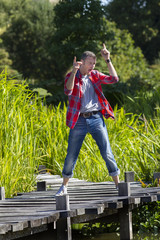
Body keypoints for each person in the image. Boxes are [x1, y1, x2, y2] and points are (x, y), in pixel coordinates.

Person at [55, 43, 120, 196]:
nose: (92, 66)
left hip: (96, 118)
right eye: (90, 63)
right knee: (71, 154)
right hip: (79, 120)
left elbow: (114, 79)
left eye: (94, 63)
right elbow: (68, 90)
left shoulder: (96, 75)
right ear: (82, 62)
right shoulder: (72, 76)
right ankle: (64, 186)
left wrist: (108, 60)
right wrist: (74, 71)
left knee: (107, 152)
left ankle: (118, 185)